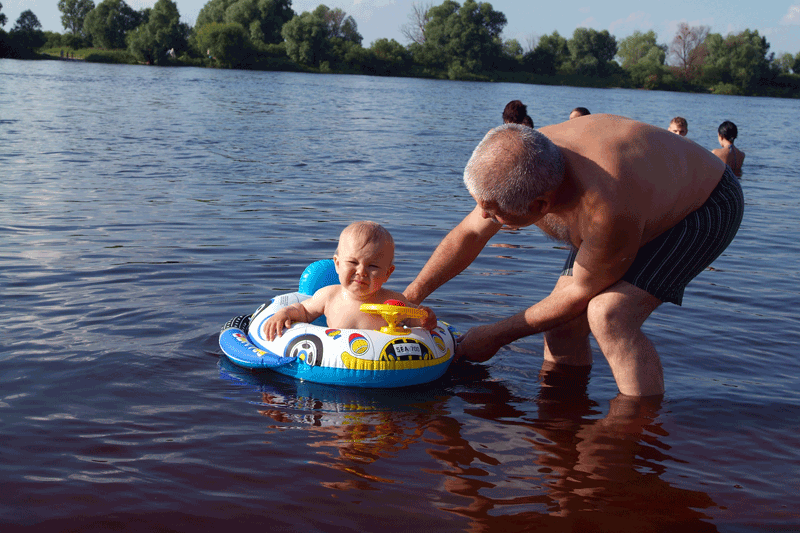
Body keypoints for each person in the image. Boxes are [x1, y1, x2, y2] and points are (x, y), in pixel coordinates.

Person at [403, 115, 744, 397]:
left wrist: (493, 336)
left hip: (704, 204)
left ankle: (637, 433)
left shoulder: (606, 207)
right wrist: (409, 298)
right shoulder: (524, 156)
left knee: (609, 315)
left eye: (493, 212)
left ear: (541, 205)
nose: (483, 216)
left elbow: (578, 293)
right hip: (642, 195)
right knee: (561, 324)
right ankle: (562, 425)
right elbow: (468, 235)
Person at [263, 221, 437, 341]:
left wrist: (424, 318)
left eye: (373, 266)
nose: (361, 271)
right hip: (333, 362)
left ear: (387, 273)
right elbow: (303, 311)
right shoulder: (329, 296)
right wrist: (283, 314)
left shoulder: (392, 302)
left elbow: (413, 318)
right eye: (353, 262)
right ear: (337, 264)